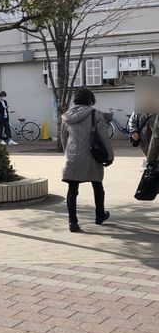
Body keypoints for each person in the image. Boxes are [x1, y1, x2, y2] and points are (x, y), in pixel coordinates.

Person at [61, 87, 113, 232]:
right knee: (97, 186)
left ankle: (73, 222)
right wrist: (110, 156)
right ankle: (100, 215)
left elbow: (64, 139)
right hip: (93, 156)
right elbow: (104, 137)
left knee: (72, 189)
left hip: (72, 157)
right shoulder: (95, 114)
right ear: (90, 100)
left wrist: (68, 153)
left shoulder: (66, 116)